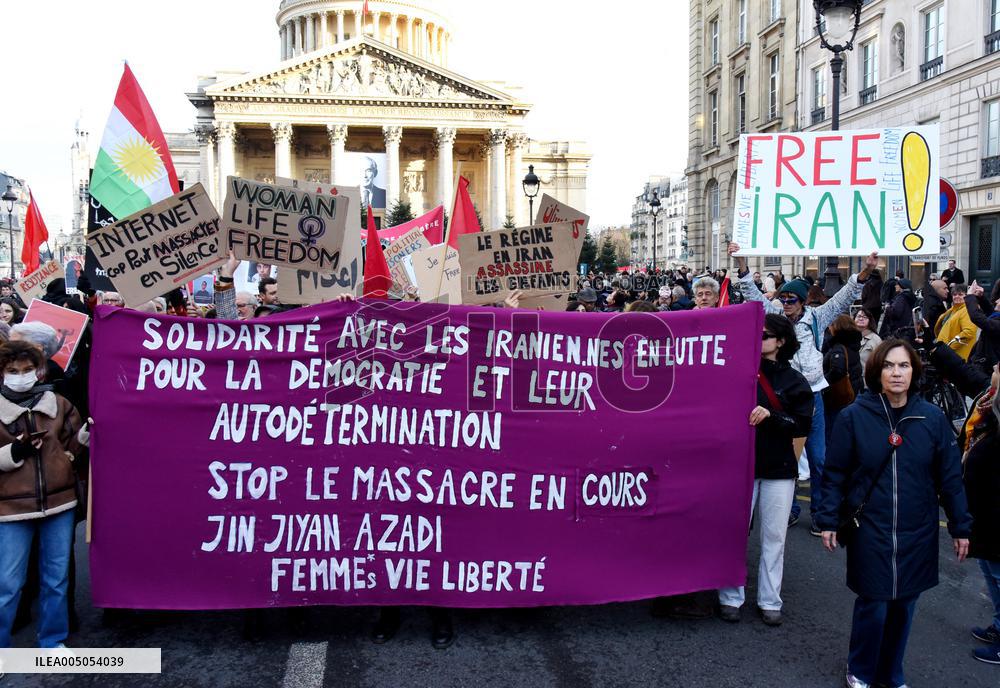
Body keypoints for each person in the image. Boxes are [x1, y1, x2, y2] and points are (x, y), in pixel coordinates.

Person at [815, 339, 972, 688]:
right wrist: (827, 519)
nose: (896, 373)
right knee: (874, 603)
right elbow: (835, 472)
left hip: (918, 528)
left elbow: (950, 479)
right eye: (889, 366)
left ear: (914, 371)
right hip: (871, 526)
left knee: (904, 605)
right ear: (877, 371)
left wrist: (961, 526)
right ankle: (861, 668)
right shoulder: (854, 416)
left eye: (903, 365)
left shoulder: (931, 418)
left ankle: (891, 671)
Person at [731, 242, 878, 534]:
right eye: (783, 299)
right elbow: (751, 292)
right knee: (788, 458)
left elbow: (843, 297)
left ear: (801, 301)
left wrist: (865, 272)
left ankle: (822, 514)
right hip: (782, 398)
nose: (785, 304)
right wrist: (742, 262)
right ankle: (791, 509)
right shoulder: (773, 315)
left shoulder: (816, 317)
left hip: (812, 396)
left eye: (791, 300)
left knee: (820, 457)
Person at [718, 314, 813, 626]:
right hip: (739, 466)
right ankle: (730, 596)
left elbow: (802, 425)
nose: (759, 340)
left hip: (778, 468)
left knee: (774, 537)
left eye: (766, 336)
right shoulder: (738, 374)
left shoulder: (795, 382)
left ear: (781, 342)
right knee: (734, 533)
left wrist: (771, 416)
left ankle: (770, 600)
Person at [0, 341, 89, 649]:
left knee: (56, 579)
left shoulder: (60, 404)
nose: (20, 376)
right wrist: (14, 451)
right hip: (12, 508)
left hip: (59, 502)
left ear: (38, 371)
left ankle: (52, 641)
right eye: (12, 371)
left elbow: (74, 446)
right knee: (8, 584)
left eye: (26, 370)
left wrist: (83, 441)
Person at [962, 364, 1000, 664]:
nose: (995, 366)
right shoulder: (990, 404)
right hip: (984, 511)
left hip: (996, 513)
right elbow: (968, 376)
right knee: (990, 571)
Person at [822, 315, 864, 443]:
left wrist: (822, 383)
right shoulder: (852, 345)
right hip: (851, 392)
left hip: (838, 396)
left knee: (832, 431)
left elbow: (837, 370)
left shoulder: (838, 347)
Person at [935, 283, 977, 361]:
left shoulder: (967, 310)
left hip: (958, 356)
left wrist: (949, 348)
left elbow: (968, 332)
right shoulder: (953, 310)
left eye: (960, 294)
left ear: (967, 295)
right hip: (948, 354)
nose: (957, 296)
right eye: (954, 294)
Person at [966, 281, 1000, 377]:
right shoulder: (997, 316)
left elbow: (978, 318)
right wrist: (981, 297)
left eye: (999, 300)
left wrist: (970, 297)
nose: (996, 301)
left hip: (987, 369)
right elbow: (991, 313)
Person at [853, 308, 882, 374]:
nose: (861, 319)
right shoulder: (848, 336)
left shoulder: (876, 339)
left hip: (866, 380)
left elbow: (880, 362)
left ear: (870, 321)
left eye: (864, 317)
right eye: (859, 316)